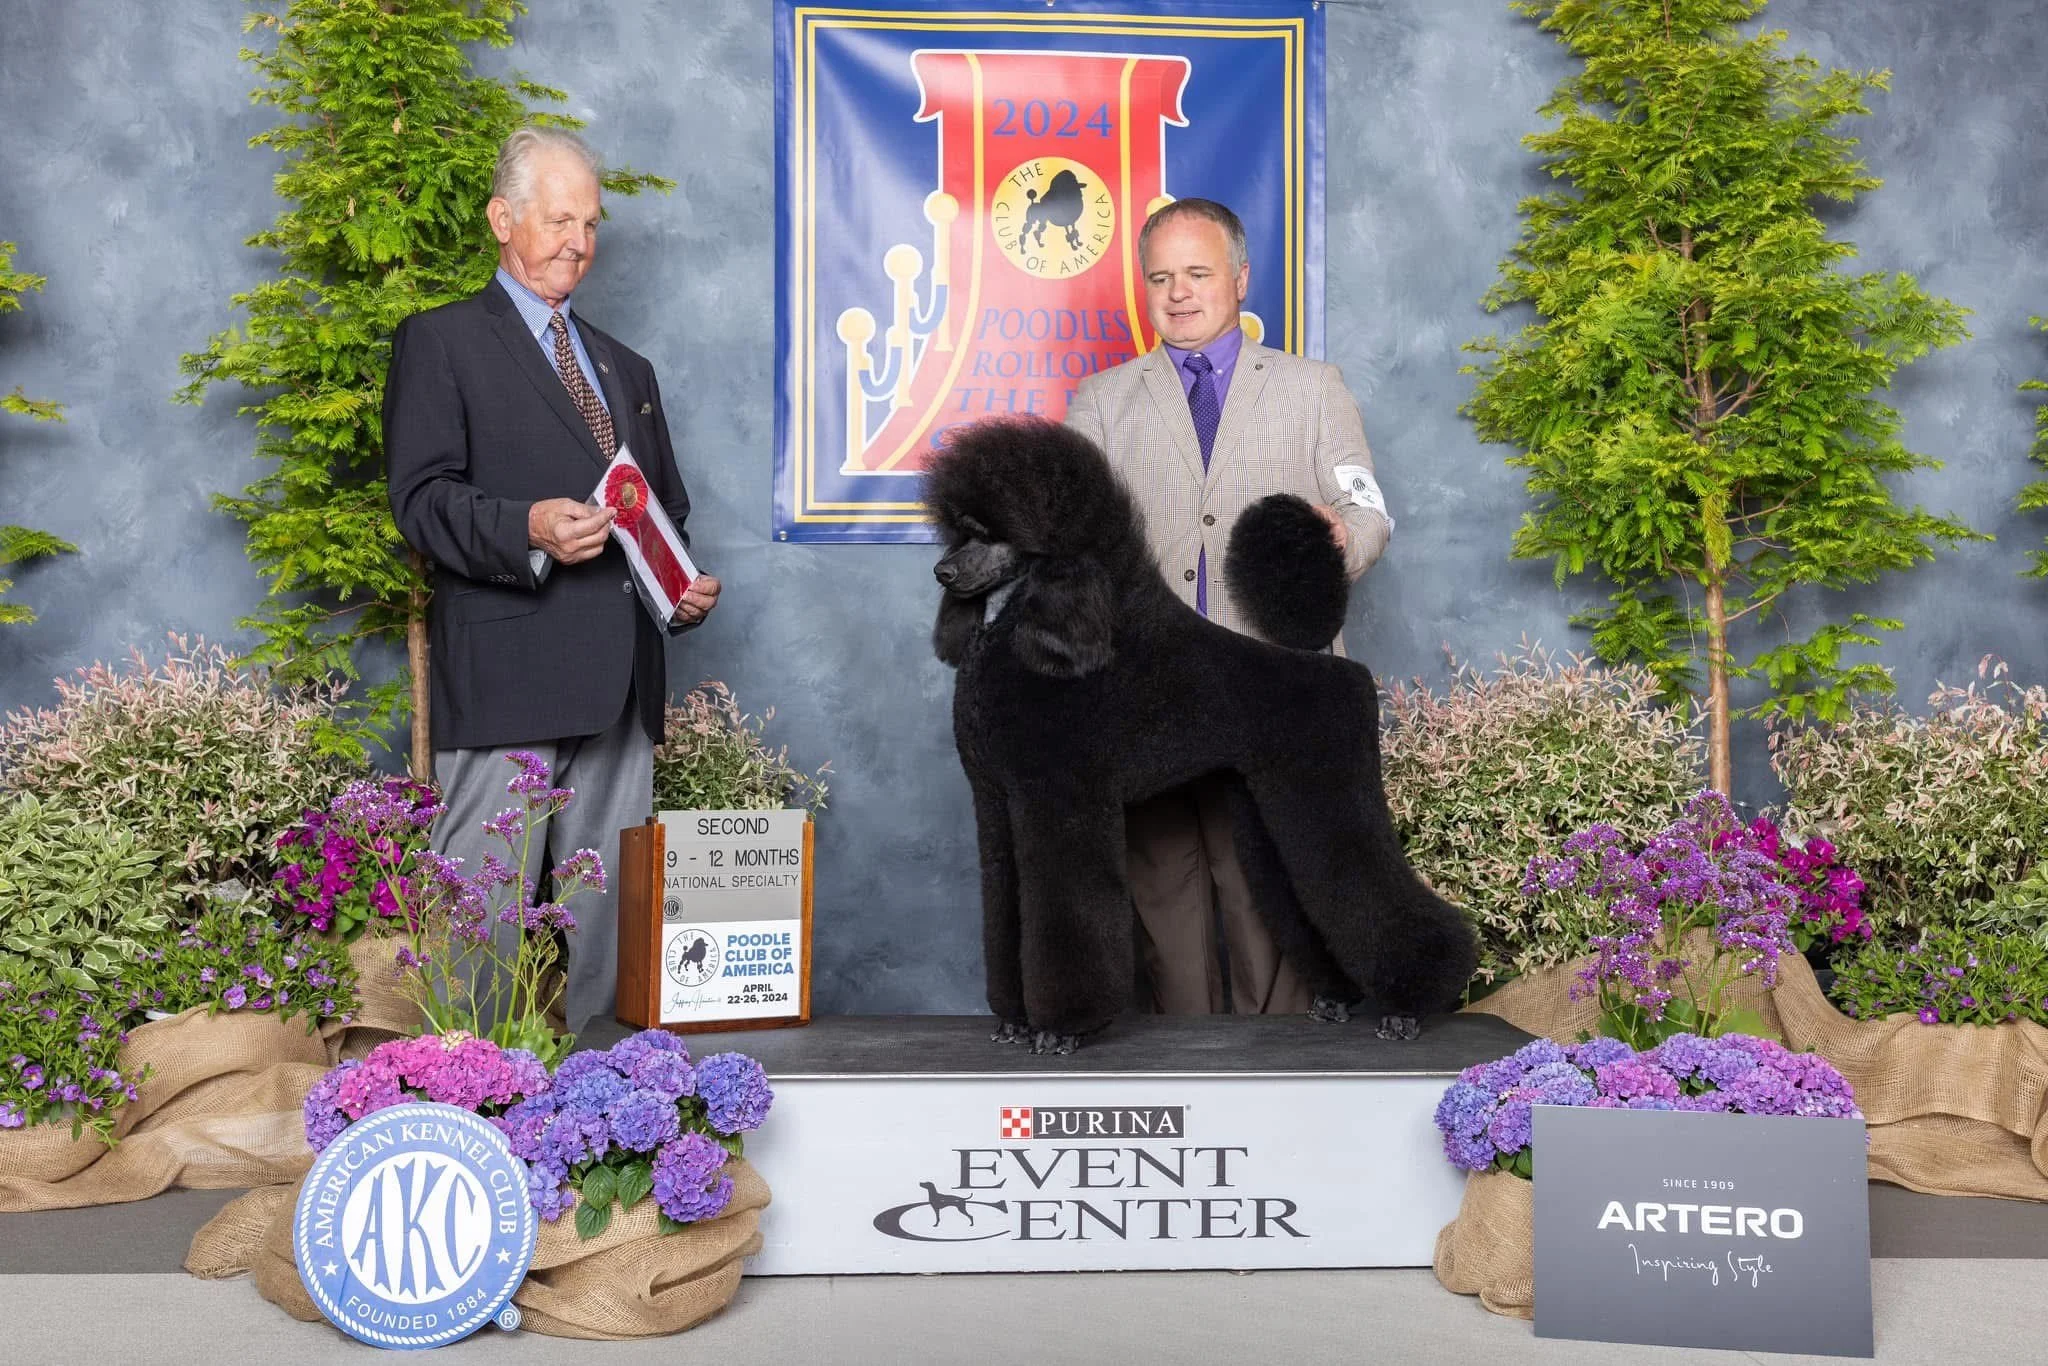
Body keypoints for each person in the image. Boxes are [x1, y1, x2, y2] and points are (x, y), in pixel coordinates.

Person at [385, 126, 720, 1032]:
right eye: (558, 218)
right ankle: (473, 1108)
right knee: (480, 933)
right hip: (504, 684)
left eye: (591, 222)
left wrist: (678, 589)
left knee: (609, 936)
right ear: (503, 219)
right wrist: (525, 528)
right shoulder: (441, 341)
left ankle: (610, 1116)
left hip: (619, 692)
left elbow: (663, 512)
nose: (578, 240)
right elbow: (419, 500)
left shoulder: (627, 367)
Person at [1062, 197, 1393, 1017]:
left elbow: (1369, 512)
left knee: (1265, 901)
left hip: (1274, 693)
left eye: (1198, 274)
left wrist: (1337, 541)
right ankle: (1181, 1076)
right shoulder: (1100, 400)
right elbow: (1069, 544)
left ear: (1241, 279)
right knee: (1161, 903)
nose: (1178, 293)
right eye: (1161, 277)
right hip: (1147, 700)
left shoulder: (1316, 391)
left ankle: (1270, 1093)